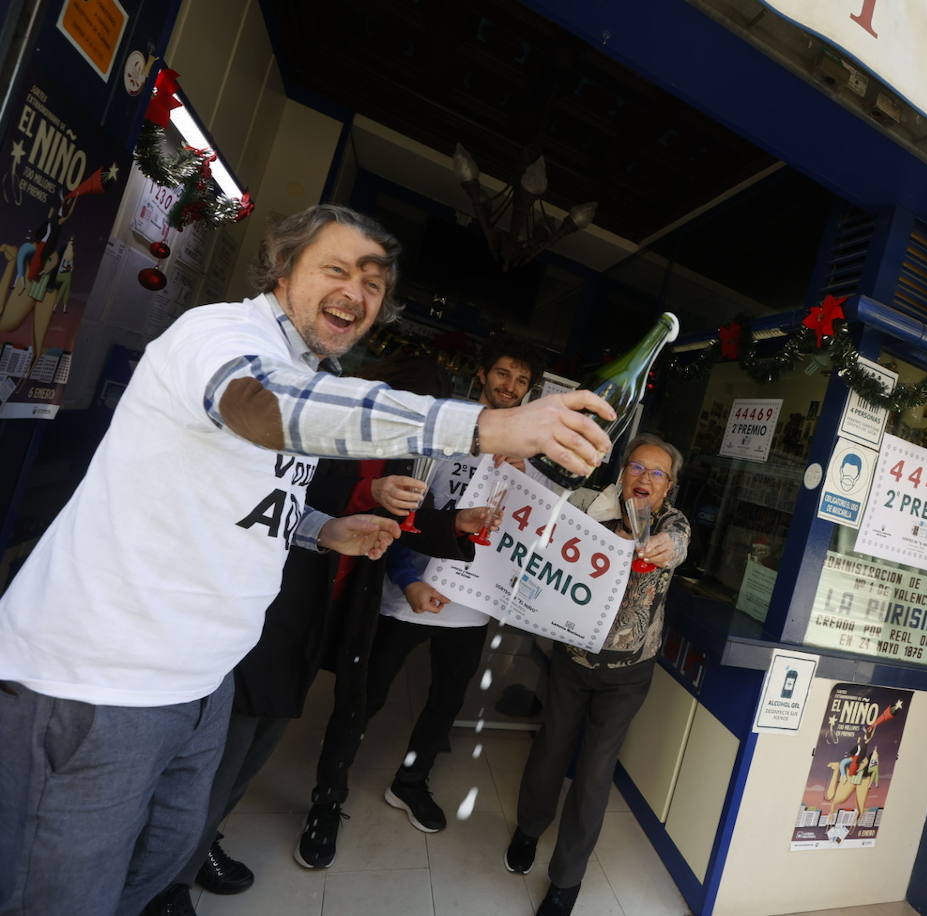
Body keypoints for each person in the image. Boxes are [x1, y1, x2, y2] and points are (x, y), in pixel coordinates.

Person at [0, 203, 614, 916]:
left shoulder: (305, 365)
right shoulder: (222, 335)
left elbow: (244, 492)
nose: (358, 292)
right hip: (100, 682)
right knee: (62, 896)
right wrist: (488, 425)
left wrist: (324, 529)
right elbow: (263, 405)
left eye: (376, 282)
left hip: (205, 680)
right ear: (283, 267)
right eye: (337, 268)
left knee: (159, 867)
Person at [144, 358, 488, 916]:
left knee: (260, 743)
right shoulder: (323, 433)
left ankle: (197, 850)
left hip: (328, 619)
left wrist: (454, 525)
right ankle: (168, 884)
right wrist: (369, 487)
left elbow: (399, 523)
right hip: (276, 615)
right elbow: (291, 501)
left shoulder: (403, 455)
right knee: (225, 754)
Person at [296, 335, 548, 868]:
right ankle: (327, 798)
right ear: (482, 375)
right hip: (404, 592)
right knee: (363, 697)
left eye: (522, 381)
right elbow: (406, 511)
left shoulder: (529, 450)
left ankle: (411, 782)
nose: (511, 387)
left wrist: (526, 483)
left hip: (471, 603)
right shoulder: (441, 426)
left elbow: (537, 529)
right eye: (503, 373)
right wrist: (409, 577)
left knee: (446, 702)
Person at [503, 434, 691, 916]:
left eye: (657, 473)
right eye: (637, 468)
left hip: (629, 674)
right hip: (573, 660)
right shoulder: (589, 506)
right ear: (622, 472)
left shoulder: (673, 524)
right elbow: (547, 523)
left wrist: (659, 546)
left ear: (668, 487)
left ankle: (566, 881)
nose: (644, 478)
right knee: (551, 749)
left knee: (593, 774)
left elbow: (676, 547)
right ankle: (528, 830)